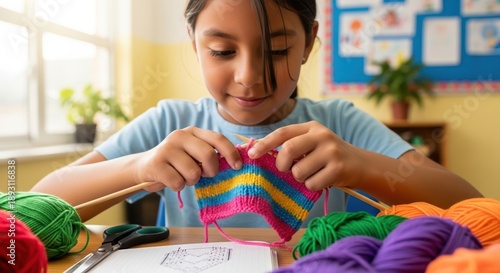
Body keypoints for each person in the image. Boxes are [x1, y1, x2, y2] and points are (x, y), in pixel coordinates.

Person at [32, 0, 482, 228]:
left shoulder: (339, 124)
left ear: (309, 43)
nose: (249, 76)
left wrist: (362, 166)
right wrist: (138, 166)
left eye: (279, 49)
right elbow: (38, 204)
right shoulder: (167, 124)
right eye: (223, 50)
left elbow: (468, 202)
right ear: (194, 44)